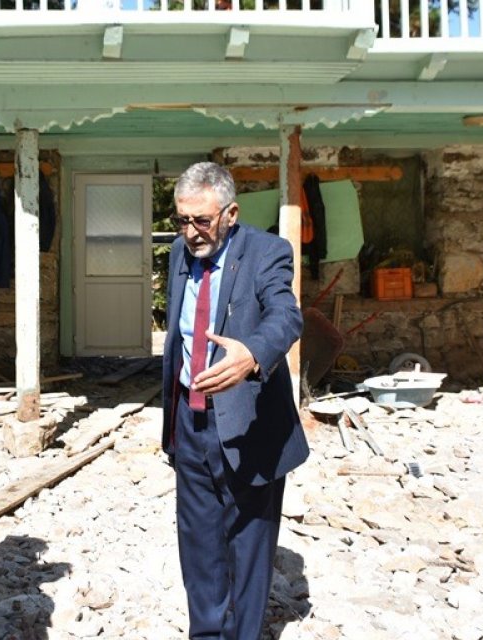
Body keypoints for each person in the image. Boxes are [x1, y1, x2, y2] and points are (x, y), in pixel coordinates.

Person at [160, 162, 308, 640]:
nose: (190, 231)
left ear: (230, 213)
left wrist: (252, 354)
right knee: (198, 546)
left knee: (248, 549)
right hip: (191, 422)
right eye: (181, 220)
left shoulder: (267, 252)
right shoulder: (181, 254)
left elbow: (286, 316)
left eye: (201, 220)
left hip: (248, 427)